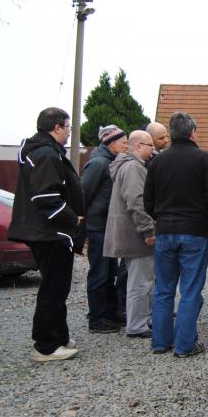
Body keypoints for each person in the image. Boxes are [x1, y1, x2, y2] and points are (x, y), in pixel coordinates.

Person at [144, 112, 208, 357]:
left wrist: (161, 218)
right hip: (195, 233)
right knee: (190, 290)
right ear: (193, 132)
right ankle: (184, 346)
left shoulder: (157, 163)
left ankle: (160, 343)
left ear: (171, 133)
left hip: (166, 232)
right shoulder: (204, 160)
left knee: (163, 289)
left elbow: (147, 201)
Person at [8, 107, 85, 362]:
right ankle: (46, 345)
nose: (70, 132)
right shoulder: (45, 154)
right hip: (50, 233)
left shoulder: (47, 152)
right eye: (68, 127)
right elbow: (46, 197)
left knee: (59, 287)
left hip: (52, 233)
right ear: (57, 127)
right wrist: (73, 219)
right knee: (52, 289)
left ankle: (59, 336)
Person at [103, 130, 156, 338]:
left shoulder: (125, 166)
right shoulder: (133, 168)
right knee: (140, 281)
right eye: (150, 144)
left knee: (137, 279)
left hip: (128, 232)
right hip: (135, 234)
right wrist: (148, 230)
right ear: (139, 146)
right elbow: (137, 201)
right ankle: (137, 325)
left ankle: (140, 321)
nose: (153, 149)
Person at [82, 125, 128, 333]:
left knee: (110, 272)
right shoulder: (98, 164)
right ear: (111, 142)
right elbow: (83, 195)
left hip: (108, 227)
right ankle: (96, 318)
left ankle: (110, 313)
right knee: (100, 273)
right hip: (98, 227)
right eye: (123, 142)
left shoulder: (111, 162)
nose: (126, 145)